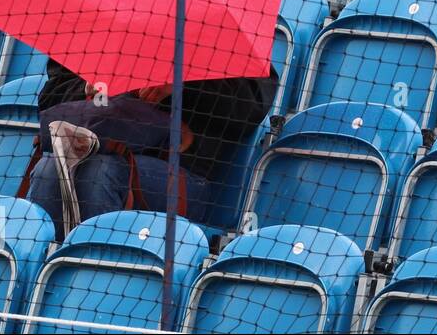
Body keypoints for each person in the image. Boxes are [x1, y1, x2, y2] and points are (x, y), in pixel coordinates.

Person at [24, 58, 277, 235]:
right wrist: (89, 87)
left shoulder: (222, 34)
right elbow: (50, 99)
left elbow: (250, 108)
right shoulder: (104, 21)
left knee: (99, 172)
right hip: (90, 151)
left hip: (182, 175)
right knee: (50, 167)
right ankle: (49, 276)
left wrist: (180, 84)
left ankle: (100, 276)